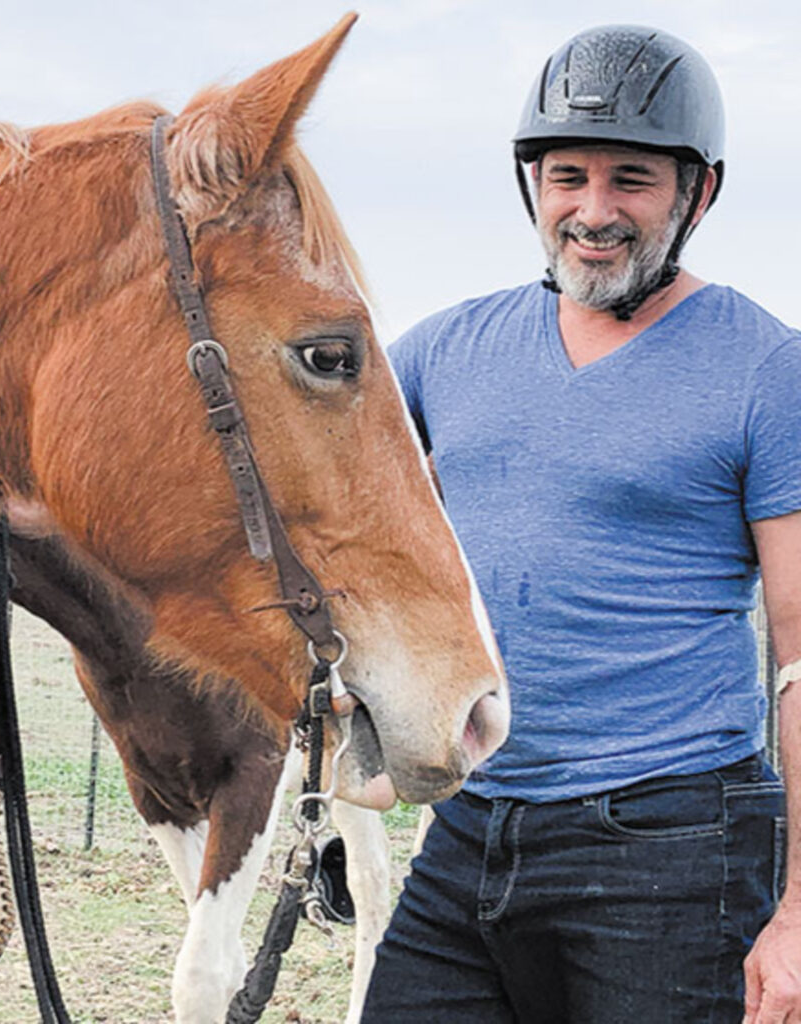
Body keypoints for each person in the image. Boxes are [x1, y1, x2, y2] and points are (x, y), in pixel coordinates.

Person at [362, 24, 801, 1024]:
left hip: (672, 846)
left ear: (699, 193)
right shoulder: (446, 349)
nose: (591, 212)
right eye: (567, 175)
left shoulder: (768, 370)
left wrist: (798, 916)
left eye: (631, 179)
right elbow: (302, 474)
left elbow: (800, 655)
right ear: (532, 184)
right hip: (470, 824)